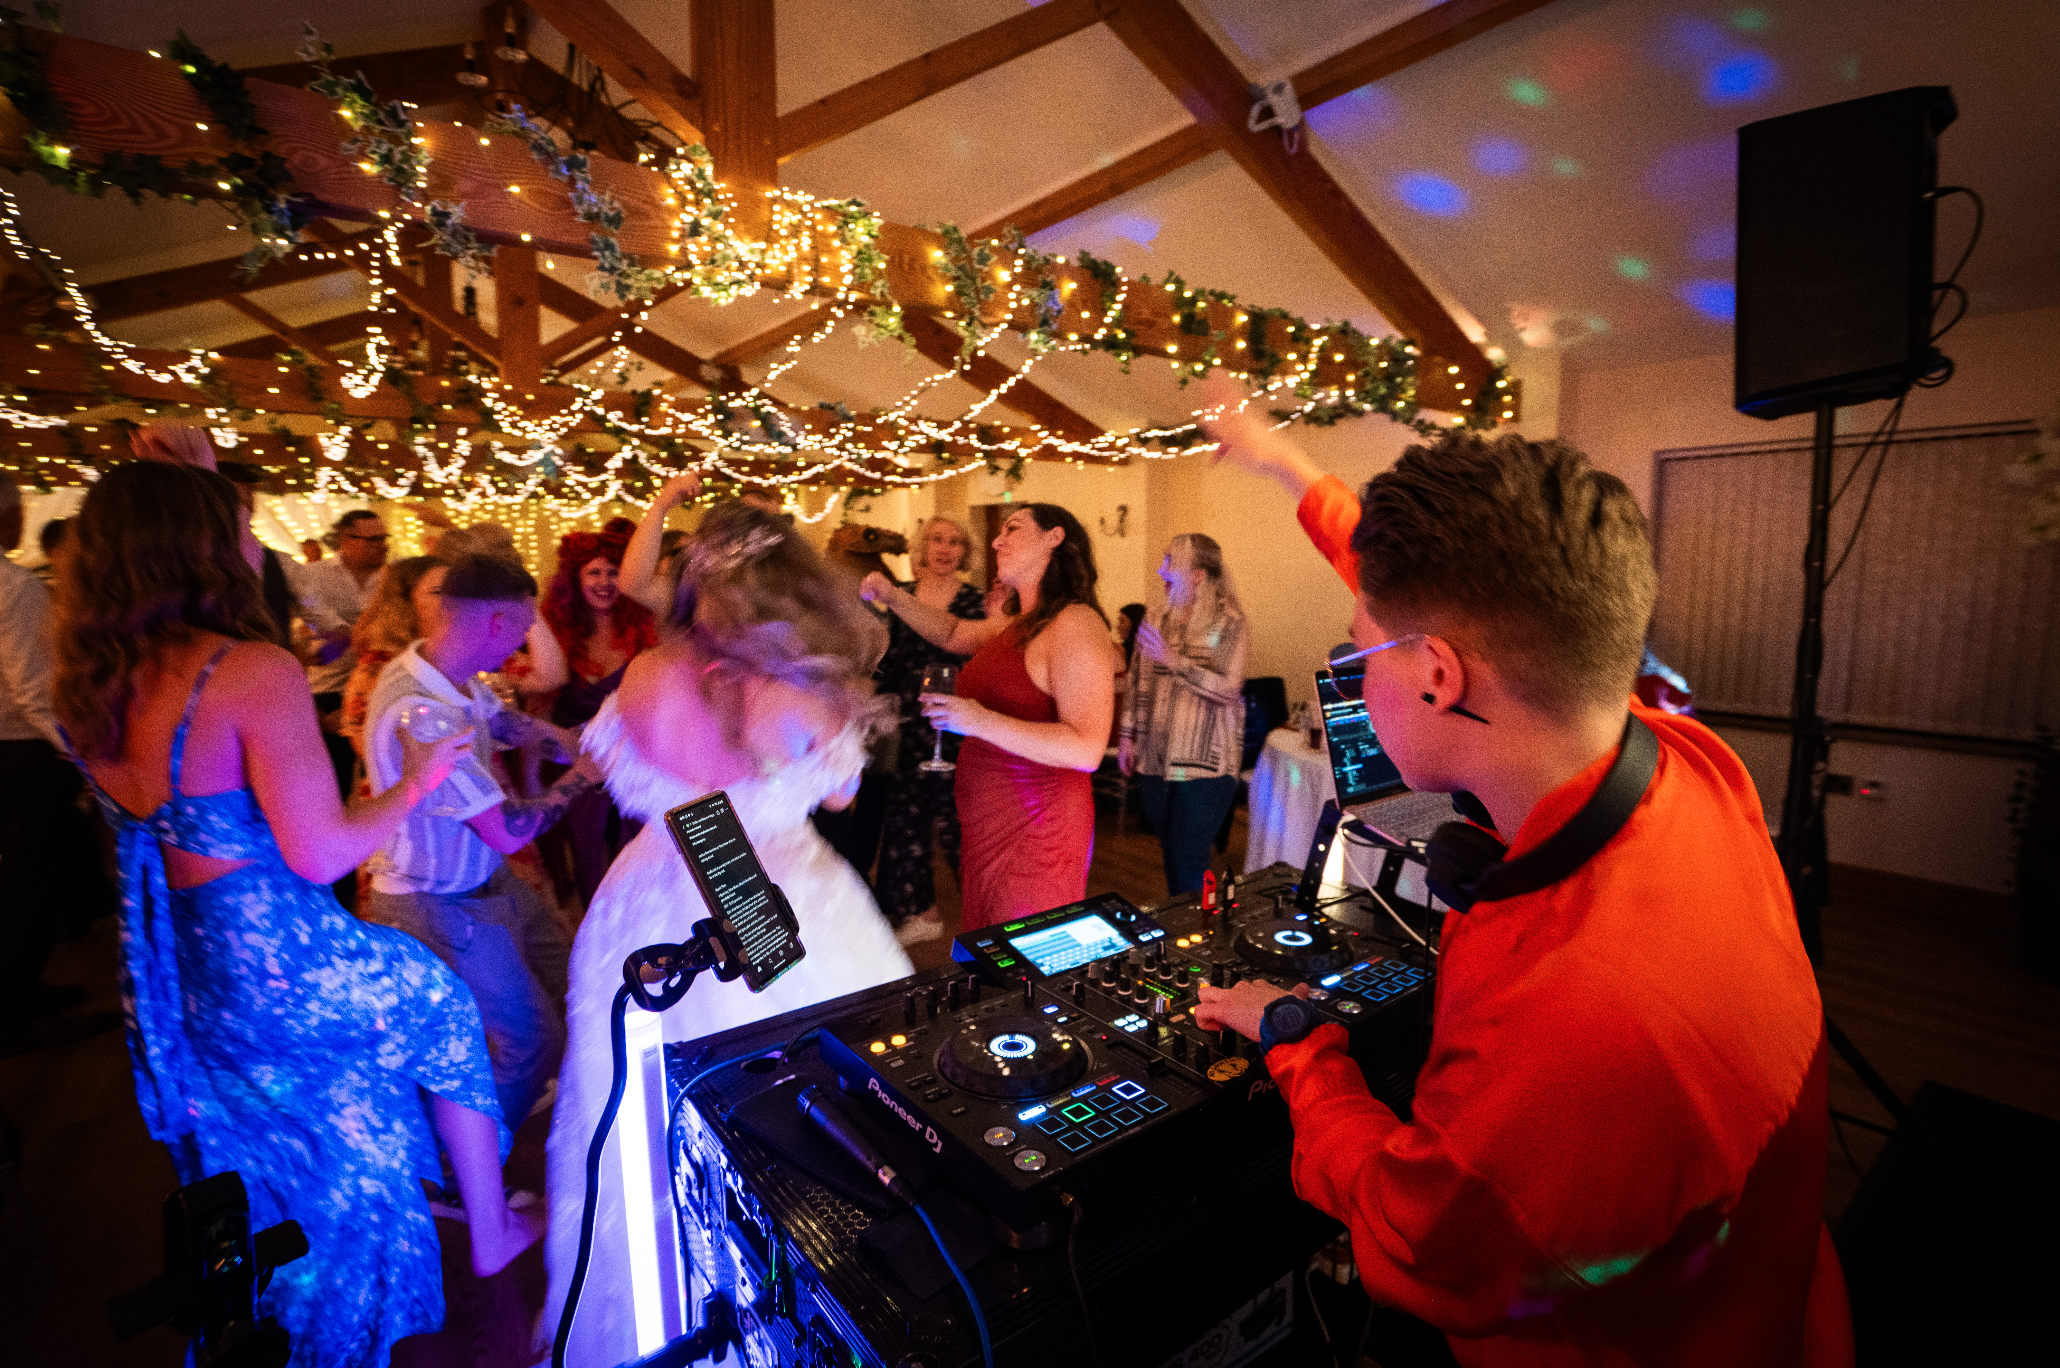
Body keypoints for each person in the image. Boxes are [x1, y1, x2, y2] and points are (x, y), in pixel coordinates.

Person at [1193, 375, 1850, 1367]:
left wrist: (1298, 1044)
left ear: (1436, 677)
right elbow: (1446, 597)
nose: (1353, 676)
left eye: (1357, 653)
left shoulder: (1570, 1024)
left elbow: (1420, 1245)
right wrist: (1280, 460)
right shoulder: (1690, 757)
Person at [53, 461, 542, 1366]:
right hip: (284, 960)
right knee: (438, 1002)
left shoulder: (90, 685)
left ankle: (310, 1284)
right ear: (199, 546)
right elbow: (322, 852)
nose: (257, 544)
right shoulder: (248, 670)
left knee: (293, 1142)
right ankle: (487, 1229)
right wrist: (414, 785)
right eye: (239, 526)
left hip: (190, 975)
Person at [544, 500, 912, 1368]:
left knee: (637, 1115)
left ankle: (660, 1327)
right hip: (775, 898)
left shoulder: (646, 673)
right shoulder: (802, 682)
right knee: (802, 1122)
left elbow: (622, 779)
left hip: (649, 907)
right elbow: (841, 798)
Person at [362, 554, 594, 1133]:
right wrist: (585, 776)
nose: (522, 643)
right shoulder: (423, 710)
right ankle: (463, 1178)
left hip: (488, 883)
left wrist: (589, 740)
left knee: (577, 987)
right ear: (494, 622)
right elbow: (507, 828)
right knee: (531, 1041)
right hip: (436, 900)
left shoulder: (445, 670)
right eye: (521, 628)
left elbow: (521, 730)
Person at [861, 503, 1116, 931]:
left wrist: (978, 721)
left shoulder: (1076, 621)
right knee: (989, 946)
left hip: (1038, 824)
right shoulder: (1020, 622)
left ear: (1053, 538)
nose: (997, 541)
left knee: (1022, 954)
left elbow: (1087, 748)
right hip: (988, 822)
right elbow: (953, 632)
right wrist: (892, 596)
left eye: (1012, 529)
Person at [0, 475, 119, 1054]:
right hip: (20, 753)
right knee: (26, 883)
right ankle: (15, 1007)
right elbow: (32, 693)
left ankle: (22, 990)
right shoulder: (14, 586)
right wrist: (85, 756)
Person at [523, 518, 659, 905]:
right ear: (575, 580)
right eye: (593, 572)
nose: (603, 581)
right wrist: (533, 773)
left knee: (641, 857)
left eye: (613, 572)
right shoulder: (558, 635)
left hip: (638, 765)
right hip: (576, 766)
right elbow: (541, 709)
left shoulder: (647, 633)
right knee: (587, 866)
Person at [873, 516, 987, 943]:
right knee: (907, 819)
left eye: (956, 541)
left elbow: (980, 656)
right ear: (923, 547)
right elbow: (889, 657)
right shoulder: (899, 596)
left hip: (959, 721)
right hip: (909, 720)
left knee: (960, 819)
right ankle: (921, 910)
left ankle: (982, 911)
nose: (946, 548)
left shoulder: (976, 602)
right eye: (937, 539)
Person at [1119, 534, 1249, 896]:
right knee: (1170, 848)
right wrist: (1127, 736)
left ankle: (1200, 935)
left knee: (1189, 854)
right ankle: (1188, 927)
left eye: (1169, 562)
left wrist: (1174, 662)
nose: (1161, 569)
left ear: (1197, 574)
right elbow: (1137, 679)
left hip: (1206, 763)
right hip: (1155, 757)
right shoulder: (1157, 616)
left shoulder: (1229, 621)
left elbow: (1228, 690)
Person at [300, 508, 390, 802]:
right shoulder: (313, 576)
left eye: (383, 538)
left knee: (381, 779)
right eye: (372, 540)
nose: (382, 545)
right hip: (327, 689)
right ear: (345, 539)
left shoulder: (394, 578)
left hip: (380, 688)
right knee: (329, 785)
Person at [216, 460, 300, 646]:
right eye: (237, 497)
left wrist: (327, 629)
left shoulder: (278, 560)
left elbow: (310, 600)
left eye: (249, 493)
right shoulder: (191, 558)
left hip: (271, 665)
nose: (246, 503)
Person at [617, 471, 702, 617]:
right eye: (679, 553)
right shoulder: (676, 599)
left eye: (695, 553)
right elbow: (632, 585)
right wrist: (661, 505)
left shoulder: (704, 595)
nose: (689, 561)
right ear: (656, 563)